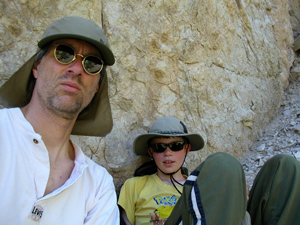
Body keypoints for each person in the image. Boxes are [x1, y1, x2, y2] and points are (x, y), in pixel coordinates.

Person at [0, 16, 119, 224]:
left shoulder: (98, 187)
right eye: (64, 54)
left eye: (92, 63)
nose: (77, 68)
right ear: (36, 67)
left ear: (97, 87)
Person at [118, 116, 300, 225]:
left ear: (186, 149)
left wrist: (239, 204)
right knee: (223, 164)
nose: (168, 153)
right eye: (159, 147)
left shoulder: (205, 185)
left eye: (176, 145)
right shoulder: (135, 185)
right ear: (151, 152)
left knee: (285, 168)